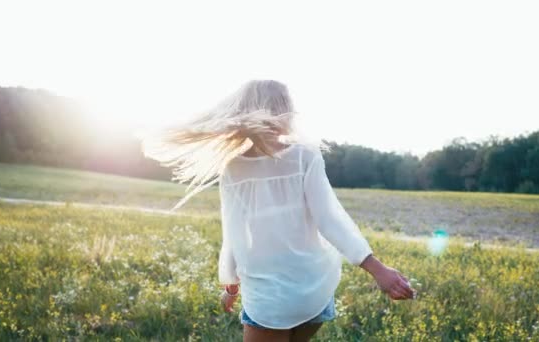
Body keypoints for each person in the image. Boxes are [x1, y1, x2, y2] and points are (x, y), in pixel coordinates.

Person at [140, 80, 416, 342]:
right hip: (313, 288)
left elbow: (234, 232)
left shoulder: (233, 167)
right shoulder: (305, 155)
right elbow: (330, 220)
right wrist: (378, 270)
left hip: (269, 295)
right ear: (284, 109)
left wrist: (231, 284)